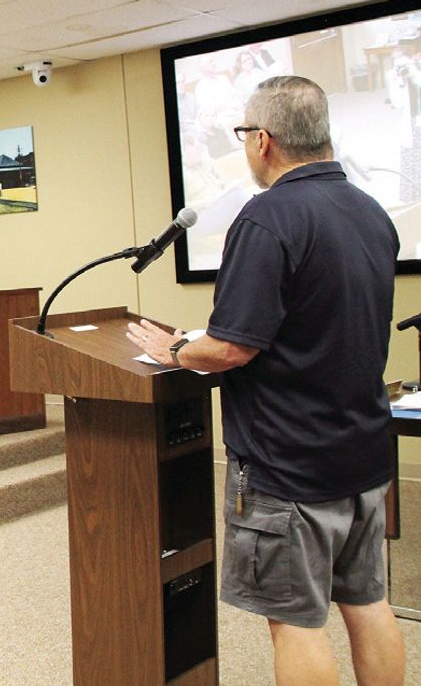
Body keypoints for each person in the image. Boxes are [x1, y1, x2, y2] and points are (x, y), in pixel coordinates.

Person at [127, 76, 404, 685]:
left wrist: (179, 348)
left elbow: (229, 347)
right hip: (360, 453)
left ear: (262, 141)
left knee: (296, 621)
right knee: (366, 602)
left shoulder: (267, 216)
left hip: (288, 466)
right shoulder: (370, 211)